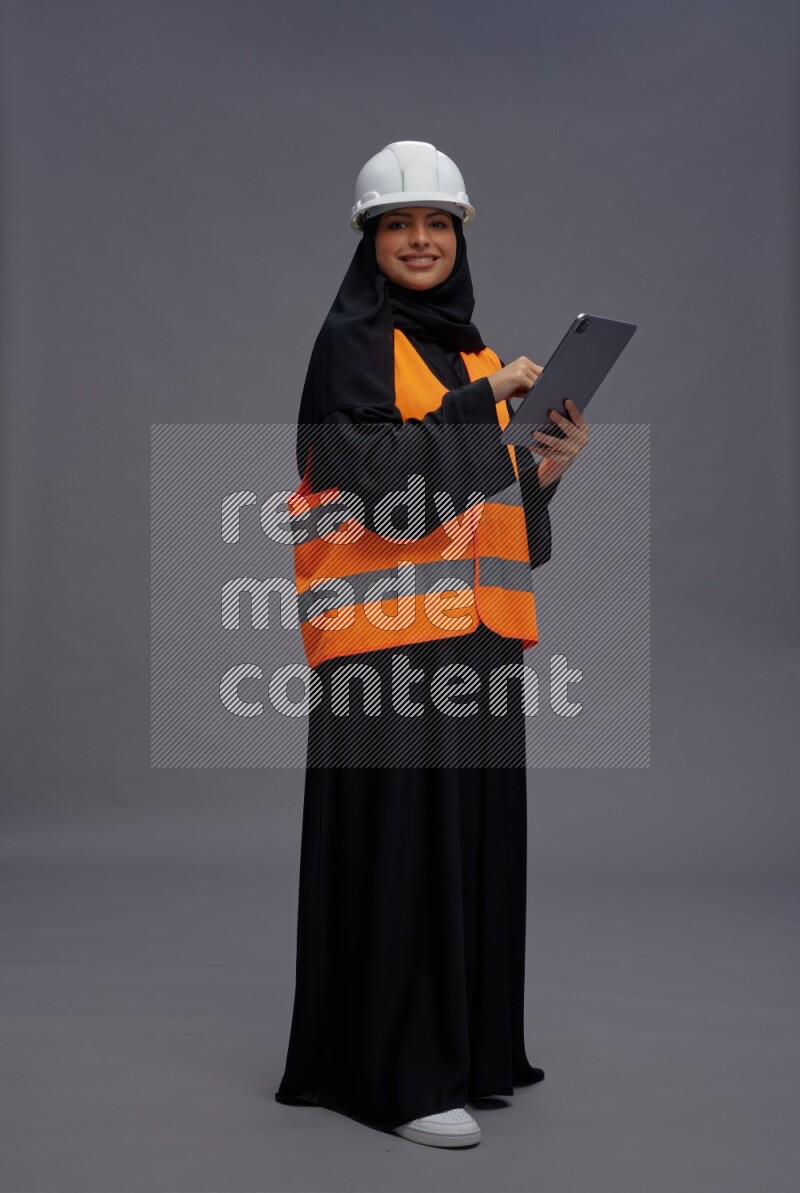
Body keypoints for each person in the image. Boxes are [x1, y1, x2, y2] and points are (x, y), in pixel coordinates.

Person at [275, 141, 589, 1148]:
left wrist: (544, 470)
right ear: (370, 239)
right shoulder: (352, 342)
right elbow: (373, 480)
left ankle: (466, 1053)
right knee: (402, 855)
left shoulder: (476, 355)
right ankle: (395, 1075)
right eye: (399, 224)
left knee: (469, 847)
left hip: (477, 638)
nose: (420, 239)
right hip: (384, 647)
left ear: (459, 237)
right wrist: (485, 412)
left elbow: (495, 519)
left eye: (437, 223)